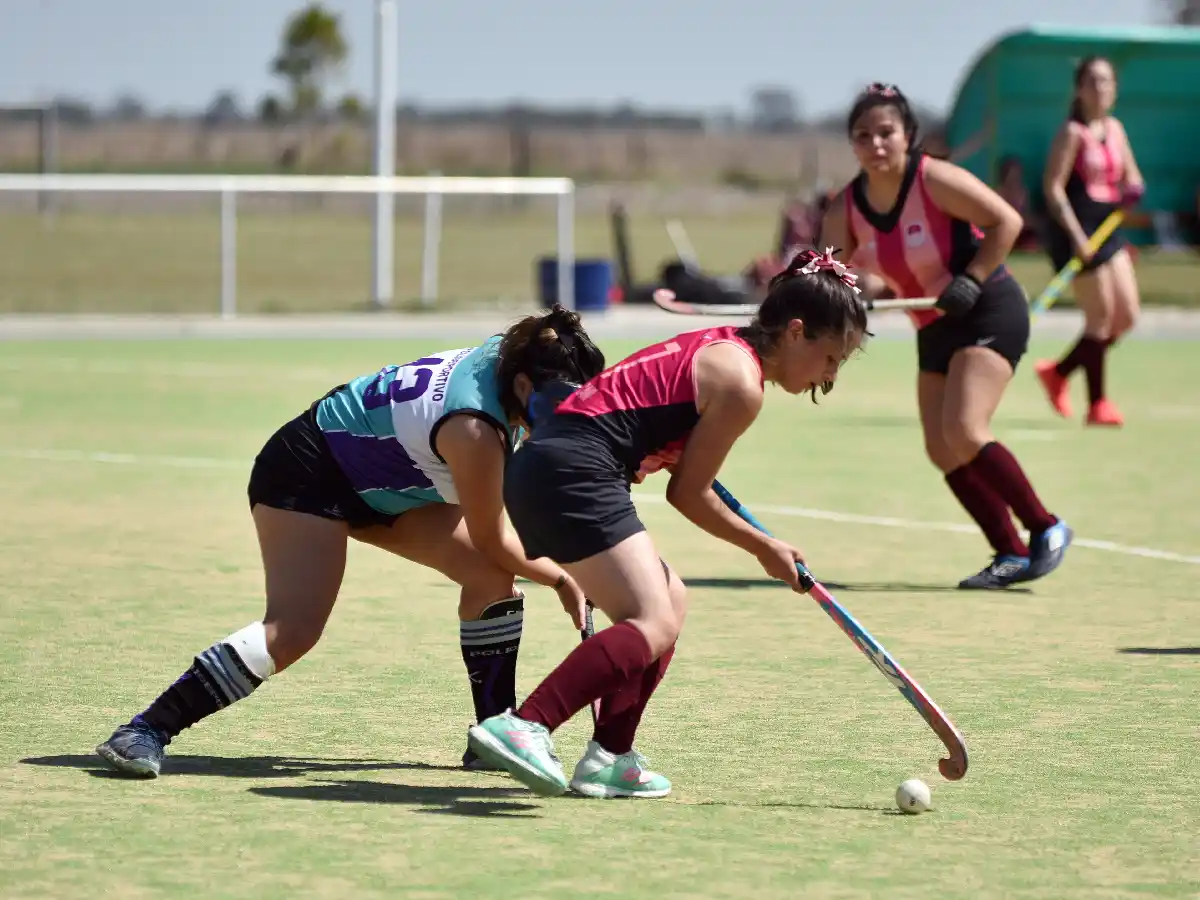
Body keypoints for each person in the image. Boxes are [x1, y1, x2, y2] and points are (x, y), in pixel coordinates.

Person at [94, 305, 605, 778]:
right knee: (293, 631)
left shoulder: (514, 355)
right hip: (309, 474)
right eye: (555, 404)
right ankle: (145, 728)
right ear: (521, 383)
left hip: (388, 480)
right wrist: (563, 577)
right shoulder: (474, 429)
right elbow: (495, 536)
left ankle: (495, 735)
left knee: (489, 579)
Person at [464, 248, 870, 799]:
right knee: (651, 619)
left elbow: (650, 419)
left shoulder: (724, 344)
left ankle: (610, 755)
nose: (830, 374)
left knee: (670, 602)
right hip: (573, 472)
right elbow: (689, 495)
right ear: (796, 332)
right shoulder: (741, 384)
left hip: (549, 466)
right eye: (831, 358)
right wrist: (763, 546)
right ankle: (526, 725)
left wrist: (665, 445)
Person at [818, 82, 1073, 591]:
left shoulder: (935, 179)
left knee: (964, 429)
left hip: (988, 311)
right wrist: (858, 292)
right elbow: (837, 273)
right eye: (863, 135)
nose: (876, 144)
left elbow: (1006, 221)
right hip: (932, 325)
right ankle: (1009, 552)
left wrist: (971, 279)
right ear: (852, 144)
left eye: (886, 132)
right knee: (941, 447)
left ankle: (1046, 527)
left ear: (908, 136)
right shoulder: (844, 207)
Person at [1035, 55, 1145, 427]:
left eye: (1107, 82)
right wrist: (1078, 237)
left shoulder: (1115, 128)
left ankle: (1060, 372)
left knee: (1126, 316)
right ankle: (1098, 405)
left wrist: (1133, 189)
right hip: (1076, 229)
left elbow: (1131, 176)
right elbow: (1052, 187)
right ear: (1080, 89)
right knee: (1098, 319)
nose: (1101, 89)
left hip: (1107, 227)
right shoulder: (1071, 133)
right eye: (1093, 82)